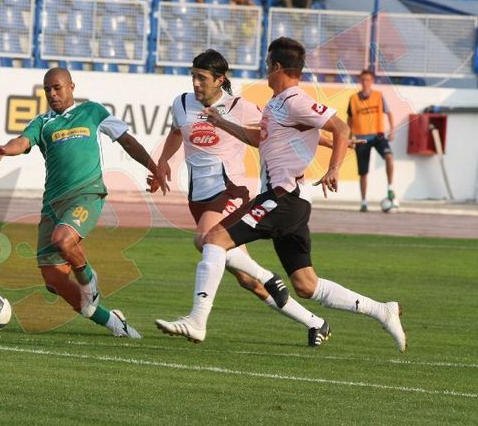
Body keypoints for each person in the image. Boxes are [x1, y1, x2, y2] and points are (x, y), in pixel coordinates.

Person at [155, 37, 407, 353]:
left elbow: (340, 128)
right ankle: (381, 310)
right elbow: (261, 138)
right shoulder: (276, 104)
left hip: (282, 197)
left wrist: (333, 168)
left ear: (276, 67)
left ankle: (197, 321)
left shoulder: (294, 100)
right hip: (288, 201)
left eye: (266, 66)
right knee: (306, 285)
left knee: (213, 240)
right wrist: (224, 122)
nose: (264, 71)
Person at [153, 49, 330, 347]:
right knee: (248, 281)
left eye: (202, 78)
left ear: (220, 80)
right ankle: (315, 322)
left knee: (204, 240)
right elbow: (176, 132)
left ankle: (199, 320)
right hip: (199, 197)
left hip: (229, 190)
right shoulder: (182, 103)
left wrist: (334, 140)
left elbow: (282, 130)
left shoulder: (240, 106)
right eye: (193, 76)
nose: (195, 83)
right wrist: (162, 163)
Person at [0, 67, 168, 339]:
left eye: (57, 87)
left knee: (64, 241)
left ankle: (89, 280)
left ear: (72, 87)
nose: (52, 93)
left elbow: (127, 141)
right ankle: (113, 322)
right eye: (47, 89)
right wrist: (6, 149)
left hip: (86, 194)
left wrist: (154, 168)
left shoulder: (93, 112)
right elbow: (22, 141)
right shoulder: (43, 122)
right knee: (54, 281)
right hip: (53, 205)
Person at [347, 69, 396, 212]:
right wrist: (350, 137)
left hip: (378, 135)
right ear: (359, 81)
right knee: (363, 172)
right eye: (362, 79)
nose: (365, 82)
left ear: (372, 81)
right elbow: (349, 119)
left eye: (368, 79)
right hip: (361, 137)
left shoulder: (379, 96)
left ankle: (390, 189)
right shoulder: (353, 99)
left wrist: (391, 130)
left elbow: (389, 113)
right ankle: (363, 202)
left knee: (389, 157)